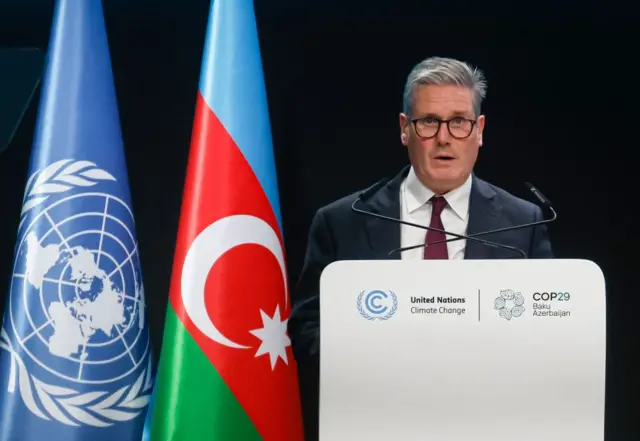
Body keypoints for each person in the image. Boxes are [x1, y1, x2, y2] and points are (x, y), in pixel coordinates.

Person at [287, 56, 554, 440]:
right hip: (376, 424)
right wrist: (378, 361)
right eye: (429, 121)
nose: (444, 137)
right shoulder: (342, 221)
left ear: (479, 130)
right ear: (404, 129)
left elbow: (547, 331)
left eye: (459, 121)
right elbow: (307, 329)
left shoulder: (523, 223)